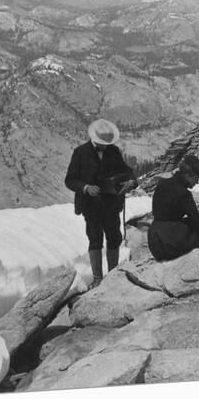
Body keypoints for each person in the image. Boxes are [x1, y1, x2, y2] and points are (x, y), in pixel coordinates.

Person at [65, 119, 137, 288]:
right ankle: (97, 278)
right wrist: (85, 187)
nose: (105, 146)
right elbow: (70, 180)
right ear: (94, 138)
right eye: (102, 143)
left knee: (114, 238)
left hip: (111, 204)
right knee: (95, 239)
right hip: (90, 206)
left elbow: (126, 171)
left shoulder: (114, 151)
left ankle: (112, 275)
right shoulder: (80, 153)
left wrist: (132, 181)